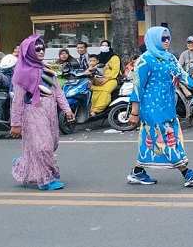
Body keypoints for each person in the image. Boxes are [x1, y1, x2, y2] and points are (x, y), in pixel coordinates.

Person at [126, 27, 193, 187]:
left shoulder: (170, 59)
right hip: (151, 109)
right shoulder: (145, 60)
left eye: (168, 38)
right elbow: (137, 87)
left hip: (168, 106)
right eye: (163, 38)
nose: (167, 41)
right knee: (166, 139)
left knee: (153, 140)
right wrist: (134, 112)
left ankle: (137, 172)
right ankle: (186, 172)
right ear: (153, 40)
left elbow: (184, 77)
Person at [10, 35, 74, 190]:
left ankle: (25, 161)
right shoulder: (22, 74)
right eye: (36, 49)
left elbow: (57, 92)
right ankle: (46, 180)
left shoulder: (47, 70)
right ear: (29, 51)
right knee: (43, 146)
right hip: (32, 113)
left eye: (42, 48)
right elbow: (17, 100)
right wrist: (16, 123)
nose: (40, 51)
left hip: (50, 112)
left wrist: (67, 110)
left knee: (52, 143)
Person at [88, 40, 120, 117]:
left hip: (112, 79)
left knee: (105, 90)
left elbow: (116, 70)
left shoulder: (114, 57)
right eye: (102, 45)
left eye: (106, 45)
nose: (103, 47)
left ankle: (97, 110)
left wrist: (107, 79)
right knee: (94, 90)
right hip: (99, 78)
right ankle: (91, 109)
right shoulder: (98, 57)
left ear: (109, 47)